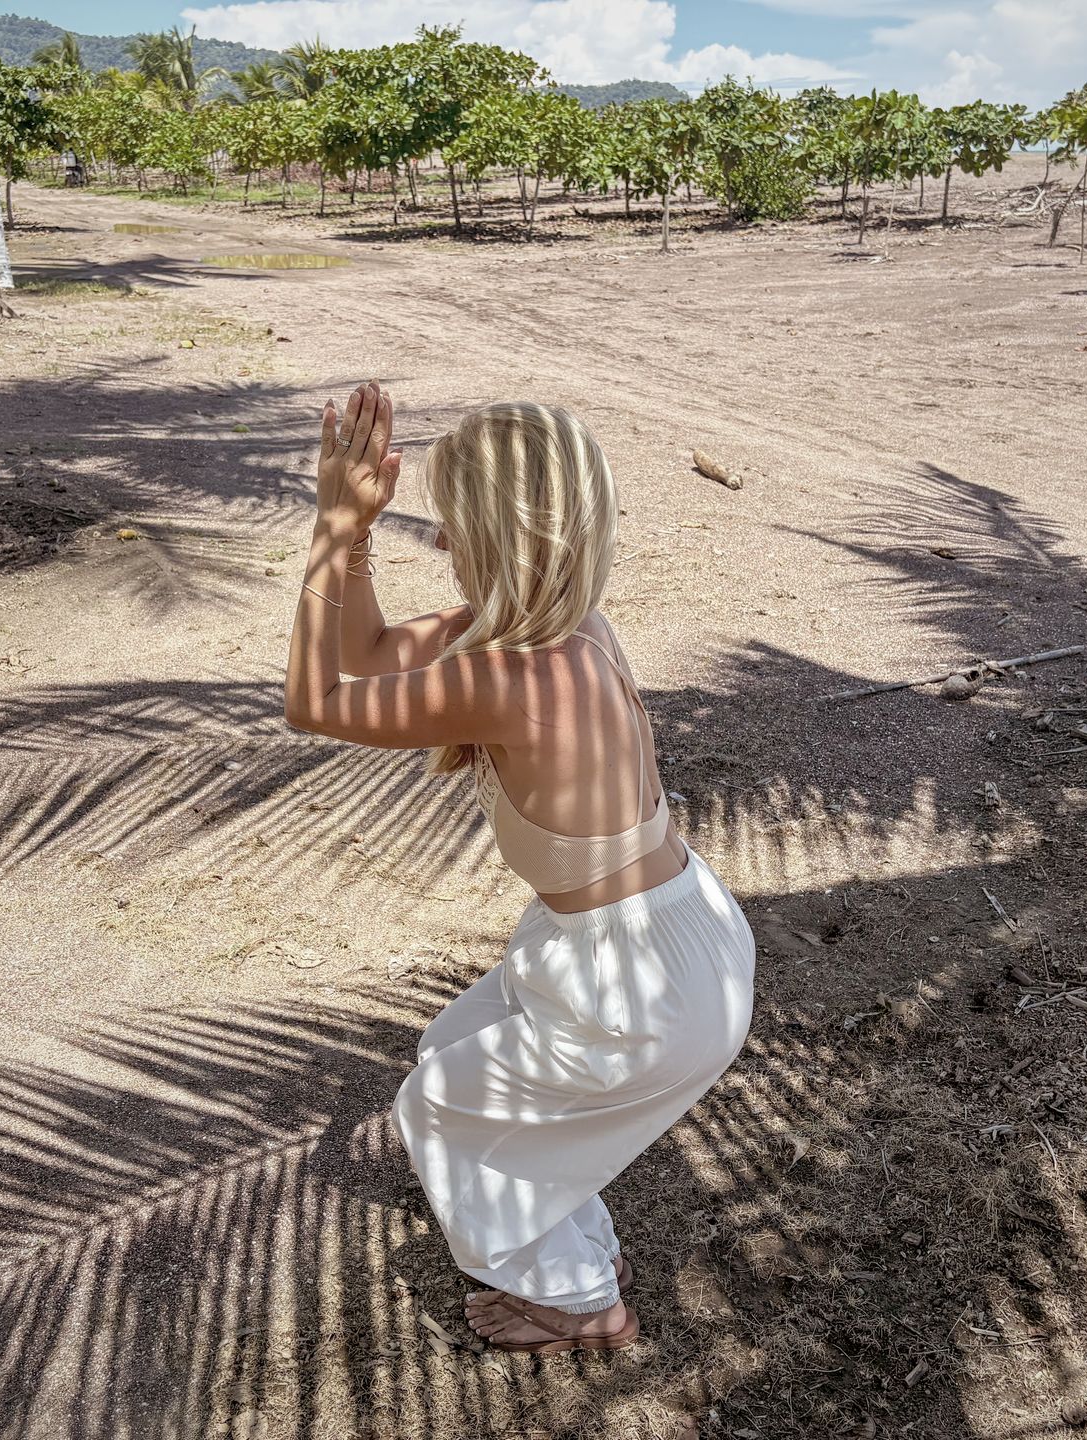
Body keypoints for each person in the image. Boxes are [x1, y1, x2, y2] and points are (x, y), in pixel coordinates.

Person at [284, 385, 756, 1354]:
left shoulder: (513, 678)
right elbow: (367, 653)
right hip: (650, 938)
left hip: (640, 982)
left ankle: (575, 1300)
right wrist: (359, 536)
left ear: (500, 532)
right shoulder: (550, 634)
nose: (446, 544)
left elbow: (316, 698)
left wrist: (333, 527)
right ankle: (573, 1245)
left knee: (443, 1110)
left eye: (456, 526)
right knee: (455, 1050)